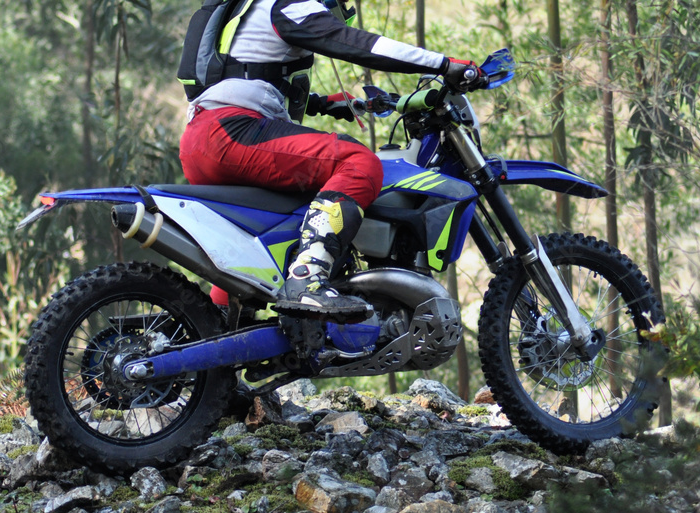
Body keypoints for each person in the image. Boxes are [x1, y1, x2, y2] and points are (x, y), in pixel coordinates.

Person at [179, 0, 484, 322]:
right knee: (358, 162)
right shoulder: (285, 4)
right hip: (232, 133)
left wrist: (322, 104)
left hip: (204, 138)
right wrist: (444, 64)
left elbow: (245, 74)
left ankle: (219, 324)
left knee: (254, 239)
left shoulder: (243, 12)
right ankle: (307, 279)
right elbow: (357, 44)